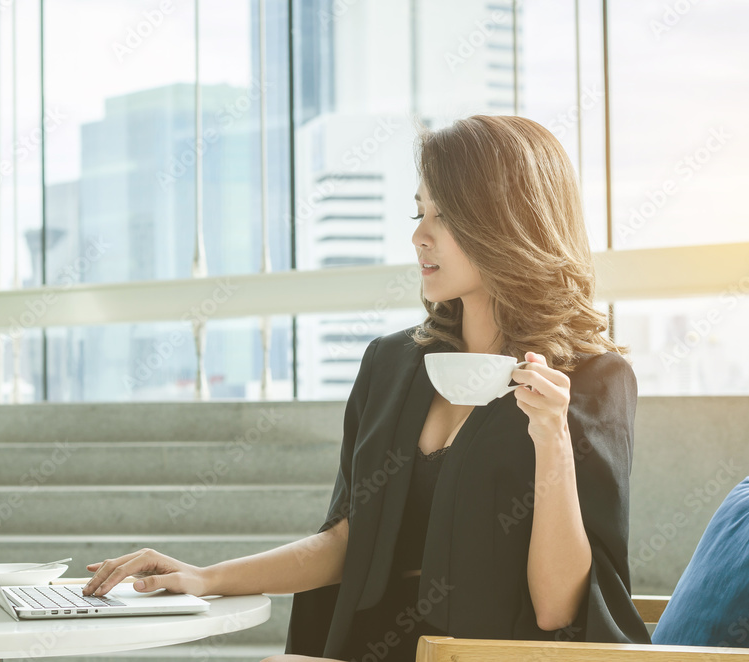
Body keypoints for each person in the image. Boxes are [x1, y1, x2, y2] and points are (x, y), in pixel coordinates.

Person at [80, 114, 652, 662]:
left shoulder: (591, 382)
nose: (418, 236)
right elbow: (349, 541)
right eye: (418, 212)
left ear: (508, 222)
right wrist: (206, 577)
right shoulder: (391, 364)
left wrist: (550, 435)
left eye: (444, 216)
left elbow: (558, 609)